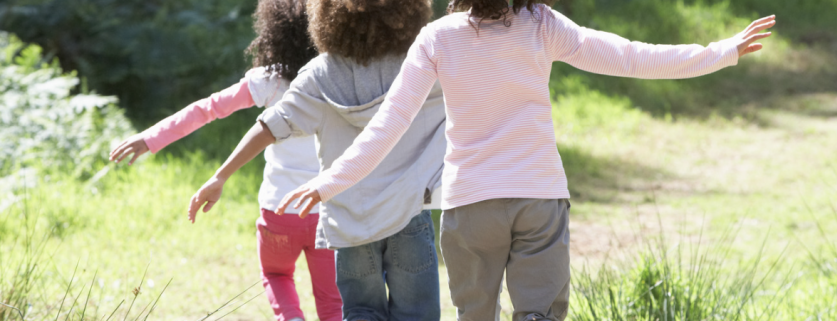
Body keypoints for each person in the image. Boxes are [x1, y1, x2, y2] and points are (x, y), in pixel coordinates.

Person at [276, 0, 776, 319]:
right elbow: (629, 56)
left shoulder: (438, 38)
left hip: (471, 207)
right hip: (539, 199)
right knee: (539, 315)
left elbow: (388, 125)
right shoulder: (542, 26)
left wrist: (331, 182)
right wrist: (719, 51)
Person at [188, 0, 446, 319]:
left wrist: (220, 176)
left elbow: (269, 126)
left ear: (326, 16)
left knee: (361, 311)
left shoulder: (320, 74)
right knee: (417, 313)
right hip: (409, 212)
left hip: (348, 219)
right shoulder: (419, 66)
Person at [108, 0, 342, 319]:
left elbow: (207, 109)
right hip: (327, 211)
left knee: (276, 276)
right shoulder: (338, 79)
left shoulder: (268, 81)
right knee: (332, 300)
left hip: (279, 210)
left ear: (274, 32)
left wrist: (151, 137)